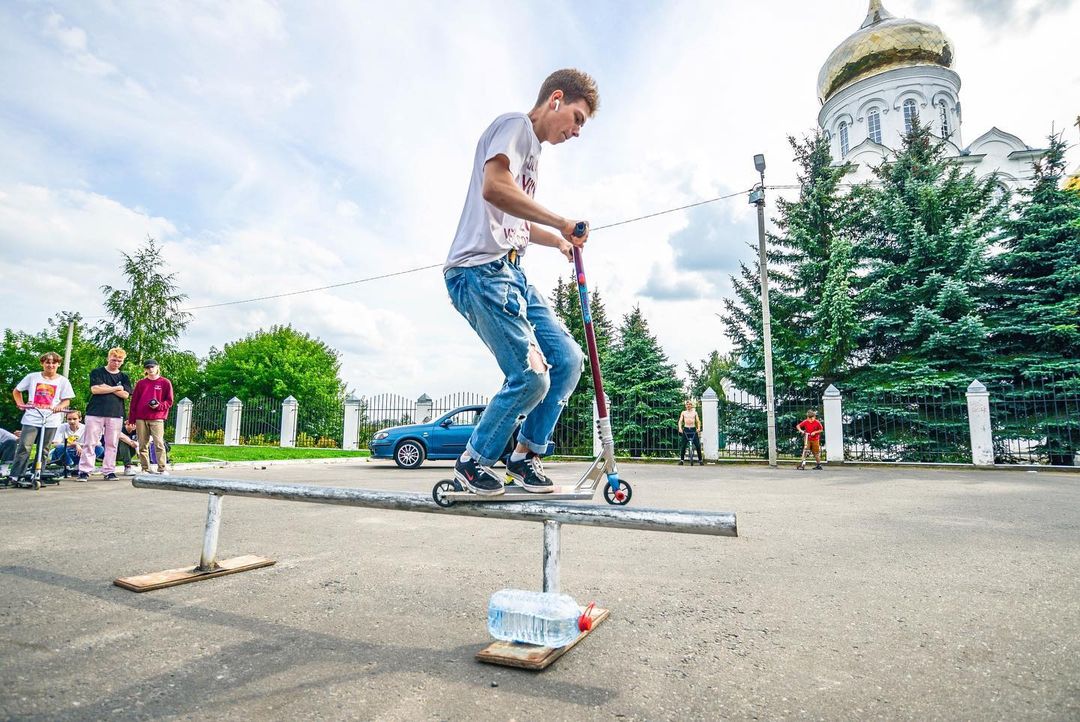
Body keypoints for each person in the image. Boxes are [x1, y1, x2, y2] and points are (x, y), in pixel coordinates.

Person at [443, 68, 599, 496]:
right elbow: (495, 188)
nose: (577, 131)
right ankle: (474, 461)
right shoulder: (515, 126)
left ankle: (524, 456)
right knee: (531, 377)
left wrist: (559, 240)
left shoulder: (533, 155)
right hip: (479, 271)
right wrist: (562, 220)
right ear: (556, 99)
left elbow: (518, 222)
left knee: (567, 361)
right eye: (578, 118)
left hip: (513, 274)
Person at [8, 351, 75, 484]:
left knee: (44, 448)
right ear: (42, 363)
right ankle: (16, 475)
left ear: (58, 364)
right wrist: (20, 404)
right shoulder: (32, 377)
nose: (51, 365)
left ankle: (37, 473)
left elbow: (66, 400)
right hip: (32, 416)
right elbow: (17, 391)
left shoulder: (63, 381)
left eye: (54, 362)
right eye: (47, 362)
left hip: (51, 418)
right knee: (25, 446)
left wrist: (59, 407)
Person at [77, 347, 132, 481]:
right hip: (95, 412)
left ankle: (109, 471)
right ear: (108, 358)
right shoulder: (97, 372)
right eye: (114, 360)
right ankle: (85, 470)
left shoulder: (124, 376)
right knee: (90, 442)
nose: (116, 363)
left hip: (115, 413)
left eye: (119, 361)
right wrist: (115, 388)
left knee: (112, 443)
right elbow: (95, 389)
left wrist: (105, 387)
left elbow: (125, 394)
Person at [128, 359, 173, 475]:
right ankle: (145, 468)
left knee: (159, 443)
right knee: (143, 444)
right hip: (141, 417)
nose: (150, 369)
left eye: (152, 367)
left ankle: (162, 468)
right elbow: (134, 402)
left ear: (157, 367)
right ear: (145, 369)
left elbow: (169, 401)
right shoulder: (141, 383)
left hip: (157, 417)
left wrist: (159, 406)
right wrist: (132, 419)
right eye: (148, 368)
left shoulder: (165, 382)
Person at [49, 409, 101, 477]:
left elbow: (97, 443)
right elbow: (55, 444)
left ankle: (81, 465)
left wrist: (80, 445)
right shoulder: (62, 427)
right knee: (60, 447)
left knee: (99, 448)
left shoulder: (86, 428)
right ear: (66, 419)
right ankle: (70, 466)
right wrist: (74, 444)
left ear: (80, 418)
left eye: (74, 419)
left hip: (80, 453)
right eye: (69, 419)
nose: (72, 421)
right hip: (65, 453)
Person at [678, 400, 704, 466]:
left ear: (691, 405)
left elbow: (698, 421)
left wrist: (698, 428)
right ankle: (682, 460)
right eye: (687, 404)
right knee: (683, 446)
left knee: (698, 445)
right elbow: (680, 421)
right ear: (685, 406)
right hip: (686, 429)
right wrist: (680, 428)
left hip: (693, 429)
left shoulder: (695, 413)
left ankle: (700, 460)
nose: (688, 405)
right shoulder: (683, 412)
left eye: (690, 404)